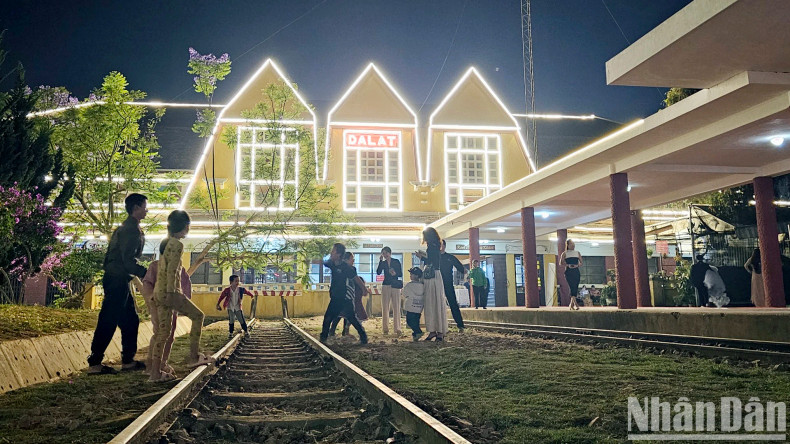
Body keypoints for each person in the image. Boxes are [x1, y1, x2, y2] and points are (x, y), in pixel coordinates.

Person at [87, 193, 149, 375]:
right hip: (117, 280)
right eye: (145, 206)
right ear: (136, 207)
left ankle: (128, 360)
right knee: (108, 320)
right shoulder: (130, 230)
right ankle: (95, 363)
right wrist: (146, 273)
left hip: (120, 279)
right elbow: (128, 260)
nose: (147, 209)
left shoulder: (128, 228)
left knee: (130, 320)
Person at [150, 210, 214, 382]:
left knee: (163, 333)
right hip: (170, 292)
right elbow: (172, 271)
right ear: (185, 227)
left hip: (159, 292)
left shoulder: (165, 243)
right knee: (198, 316)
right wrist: (174, 294)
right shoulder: (177, 245)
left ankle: (155, 374)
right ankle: (193, 357)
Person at [141, 259, 193, 377]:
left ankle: (162, 362)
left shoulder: (179, 266)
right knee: (160, 333)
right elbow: (147, 282)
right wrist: (150, 296)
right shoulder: (155, 266)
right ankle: (151, 365)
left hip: (172, 305)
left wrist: (184, 302)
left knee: (169, 335)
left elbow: (185, 284)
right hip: (158, 304)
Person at [320, 243, 368, 344]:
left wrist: (364, 289)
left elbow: (356, 278)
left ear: (339, 254)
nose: (331, 253)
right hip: (335, 297)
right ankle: (323, 338)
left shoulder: (346, 267)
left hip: (345, 298)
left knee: (351, 318)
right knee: (328, 318)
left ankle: (363, 337)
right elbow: (323, 262)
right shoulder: (332, 263)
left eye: (333, 251)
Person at [417, 227, 448, 341]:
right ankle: (438, 330)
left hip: (432, 275)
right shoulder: (436, 245)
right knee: (436, 302)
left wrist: (422, 257)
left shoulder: (432, 247)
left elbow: (431, 261)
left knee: (431, 302)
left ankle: (435, 331)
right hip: (435, 275)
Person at [330, 252, 369, 336]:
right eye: (352, 259)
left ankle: (345, 331)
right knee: (339, 313)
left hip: (349, 294)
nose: (353, 261)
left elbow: (356, 280)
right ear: (346, 260)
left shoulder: (352, 269)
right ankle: (332, 331)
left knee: (346, 312)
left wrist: (362, 288)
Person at [438, 240, 466, 330]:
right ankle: (438, 325)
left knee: (453, 303)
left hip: (448, 283)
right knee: (436, 304)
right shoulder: (434, 257)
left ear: (445, 246)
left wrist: (464, 271)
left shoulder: (450, 257)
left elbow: (460, 268)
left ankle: (460, 324)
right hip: (436, 283)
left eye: (441, 245)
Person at [376, 247, 403, 335]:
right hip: (386, 284)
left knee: (396, 306)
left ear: (390, 253)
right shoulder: (383, 263)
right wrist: (380, 261)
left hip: (395, 284)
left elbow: (400, 274)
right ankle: (385, 328)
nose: (385, 255)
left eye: (386, 253)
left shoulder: (396, 261)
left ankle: (397, 328)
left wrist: (395, 273)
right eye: (383, 253)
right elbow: (378, 272)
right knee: (385, 306)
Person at [403, 267, 425, 341]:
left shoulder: (409, 285)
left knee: (409, 321)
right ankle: (415, 335)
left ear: (416, 276)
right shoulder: (423, 286)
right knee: (416, 321)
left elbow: (404, 294)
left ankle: (418, 332)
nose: (410, 275)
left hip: (410, 306)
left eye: (411, 274)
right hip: (419, 307)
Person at [560, 239, 583, 310]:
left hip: (576, 271)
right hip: (569, 271)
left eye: (573, 244)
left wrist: (577, 265)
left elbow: (581, 262)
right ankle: (575, 304)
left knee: (575, 286)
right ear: (568, 245)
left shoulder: (577, 253)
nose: (573, 245)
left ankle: (571, 304)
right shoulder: (564, 253)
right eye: (571, 244)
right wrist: (568, 265)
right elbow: (561, 263)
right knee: (571, 286)